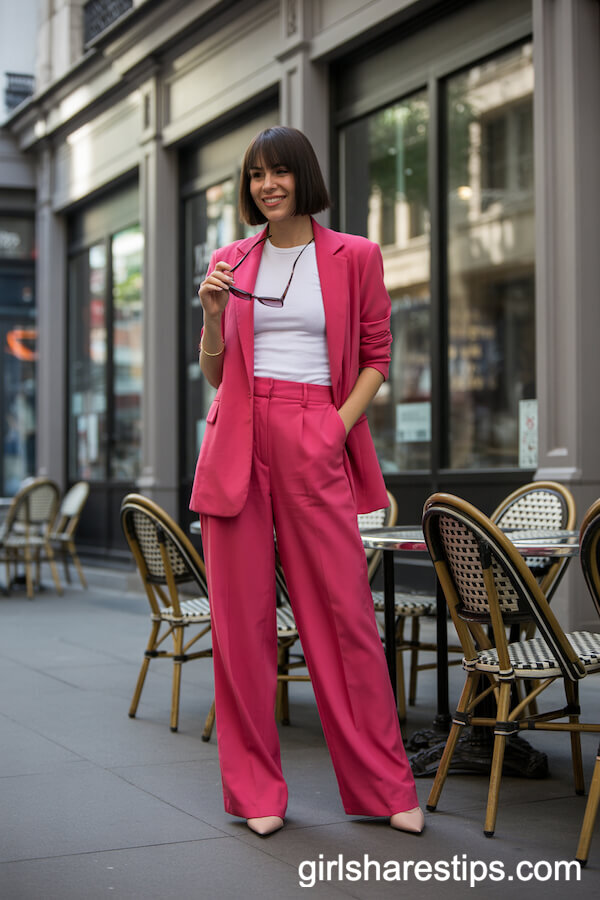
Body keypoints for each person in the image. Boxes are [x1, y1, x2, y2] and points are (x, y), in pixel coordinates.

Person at [190, 126, 423, 837]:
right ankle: (256, 794)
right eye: (256, 174)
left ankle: (384, 787)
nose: (267, 185)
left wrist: (333, 425)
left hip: (313, 427)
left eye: (279, 172)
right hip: (237, 433)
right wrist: (209, 316)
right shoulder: (231, 260)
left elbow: (377, 355)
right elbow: (216, 374)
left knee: (344, 616)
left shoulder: (355, 256)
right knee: (243, 623)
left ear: (303, 178)